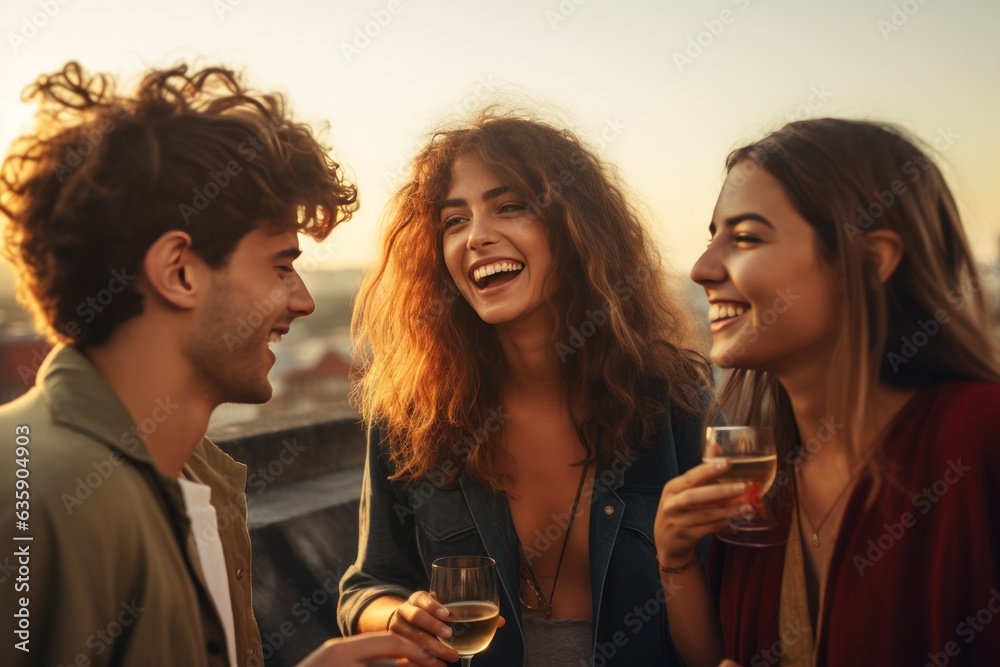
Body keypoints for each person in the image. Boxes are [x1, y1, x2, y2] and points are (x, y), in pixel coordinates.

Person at [0, 61, 428, 667]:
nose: (304, 299)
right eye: (281, 265)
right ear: (179, 271)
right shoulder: (29, 489)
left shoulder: (200, 480)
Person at [338, 110, 712, 666]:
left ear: (575, 226)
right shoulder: (412, 417)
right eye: (453, 221)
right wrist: (397, 614)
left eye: (509, 207)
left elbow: (727, 615)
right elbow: (367, 585)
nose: (478, 236)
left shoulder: (671, 401)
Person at [655, 118, 1000, 666]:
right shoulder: (762, 480)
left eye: (745, 238)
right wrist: (675, 560)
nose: (701, 268)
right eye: (712, 237)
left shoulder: (980, 437)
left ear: (870, 261)